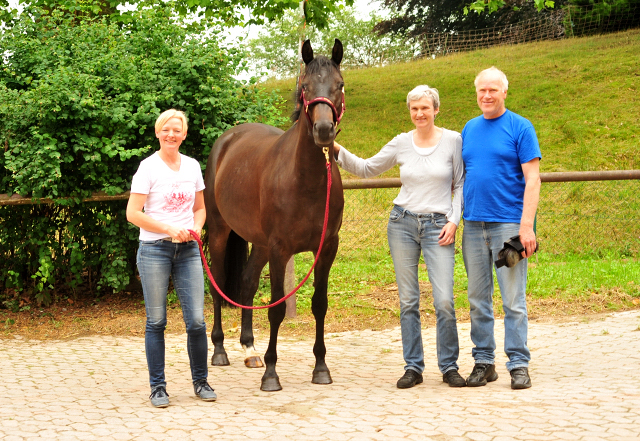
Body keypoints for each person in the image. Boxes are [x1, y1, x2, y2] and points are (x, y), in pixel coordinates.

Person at [334, 85, 465, 389]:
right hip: (402, 224)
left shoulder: (454, 141)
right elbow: (367, 169)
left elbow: (460, 185)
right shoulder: (401, 143)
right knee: (408, 300)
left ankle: (449, 366)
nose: (419, 113)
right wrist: (336, 149)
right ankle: (413, 367)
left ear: (436, 109)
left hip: (439, 226)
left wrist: (454, 221)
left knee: (444, 299)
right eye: (414, 109)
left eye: (425, 108)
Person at [126, 109, 216, 407]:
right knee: (157, 321)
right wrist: (168, 228)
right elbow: (133, 214)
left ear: (184, 134)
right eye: (166, 129)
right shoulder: (147, 168)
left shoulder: (192, 167)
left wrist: (197, 228)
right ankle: (158, 387)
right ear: (157, 132)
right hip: (154, 250)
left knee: (196, 321)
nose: (171, 134)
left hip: (188, 250)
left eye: (176, 130)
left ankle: (201, 382)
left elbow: (200, 208)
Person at [461, 67, 542, 390]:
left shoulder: (520, 127)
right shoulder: (469, 128)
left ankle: (519, 364)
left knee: (513, 300)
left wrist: (526, 227)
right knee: (478, 298)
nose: (487, 95)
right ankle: (483, 361)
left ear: (504, 92)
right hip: (473, 225)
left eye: (493, 90)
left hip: (508, 226)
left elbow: (533, 179)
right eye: (482, 90)